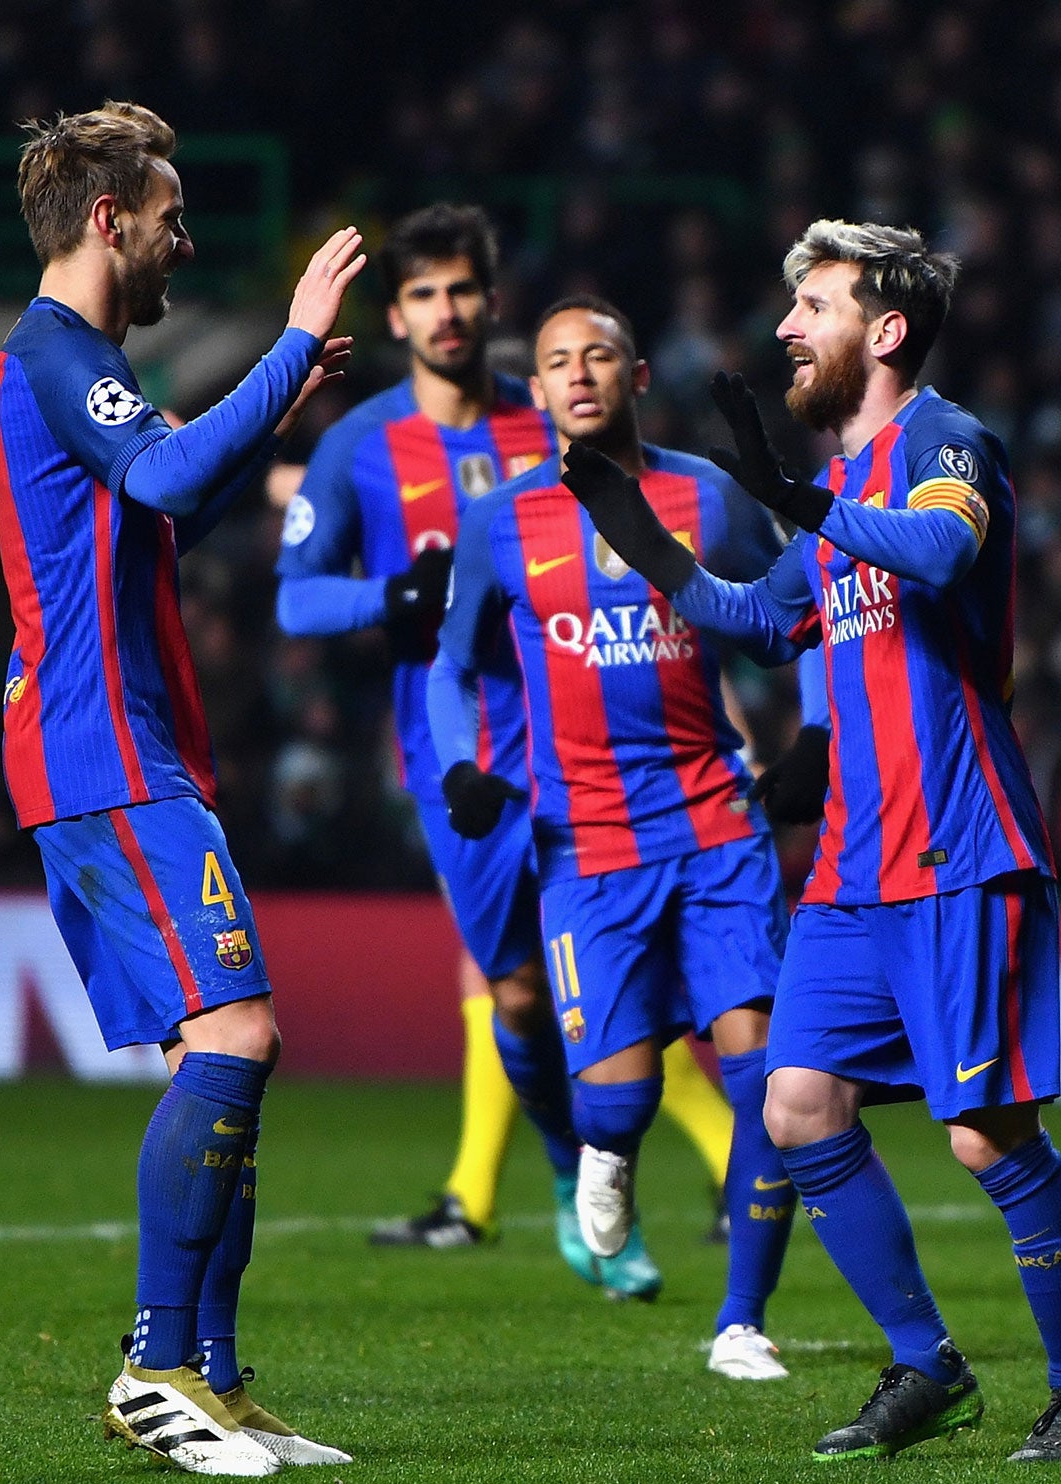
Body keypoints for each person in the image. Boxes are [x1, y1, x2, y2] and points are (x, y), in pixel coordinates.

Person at [563, 221, 1061, 1459]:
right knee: (795, 1102)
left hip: (957, 850)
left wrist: (796, 497)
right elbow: (759, 623)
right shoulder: (835, 494)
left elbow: (940, 549)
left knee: (984, 1134)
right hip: (850, 866)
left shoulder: (942, 444)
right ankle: (928, 1367)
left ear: (881, 330)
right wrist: (640, 537)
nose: (784, 330)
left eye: (811, 306)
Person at [0, 100, 362, 1476]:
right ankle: (156, 1364)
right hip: (104, 754)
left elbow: (167, 505)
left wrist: (286, 396)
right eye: (168, 217)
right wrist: (287, 347)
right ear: (110, 221)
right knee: (237, 1038)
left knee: (225, 1054)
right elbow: (160, 467)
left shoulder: (80, 360)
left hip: (133, 749)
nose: (179, 241)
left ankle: (210, 1378)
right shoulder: (49, 353)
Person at [275, 205, 733, 1292]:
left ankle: (691, 1175)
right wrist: (392, 594)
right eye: (423, 294)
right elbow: (295, 601)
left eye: (462, 290)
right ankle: (565, 1176)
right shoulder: (358, 445)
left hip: (599, 751)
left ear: (489, 301)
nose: (446, 312)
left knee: (627, 975)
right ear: (394, 316)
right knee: (517, 996)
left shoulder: (554, 422)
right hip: (463, 763)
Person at [430, 296, 797, 1381]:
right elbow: (450, 662)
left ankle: (741, 1318)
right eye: (555, 362)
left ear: (636, 377)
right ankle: (604, 1152)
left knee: (763, 1078)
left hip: (713, 825)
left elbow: (803, 599)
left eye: (599, 356)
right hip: (584, 846)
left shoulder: (705, 496)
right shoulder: (503, 522)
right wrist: (458, 759)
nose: (578, 374)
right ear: (533, 389)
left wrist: (813, 729)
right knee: (619, 1098)